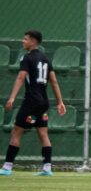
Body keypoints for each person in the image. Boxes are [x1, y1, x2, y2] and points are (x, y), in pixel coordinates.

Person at [2, 30, 67, 176]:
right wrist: (60, 102)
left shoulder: (27, 58)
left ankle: (7, 167)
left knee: (17, 131)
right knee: (43, 133)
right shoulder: (45, 59)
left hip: (31, 102)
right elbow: (54, 81)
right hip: (43, 103)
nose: (23, 41)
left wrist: (12, 97)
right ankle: (47, 168)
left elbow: (20, 77)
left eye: (25, 39)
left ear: (33, 41)